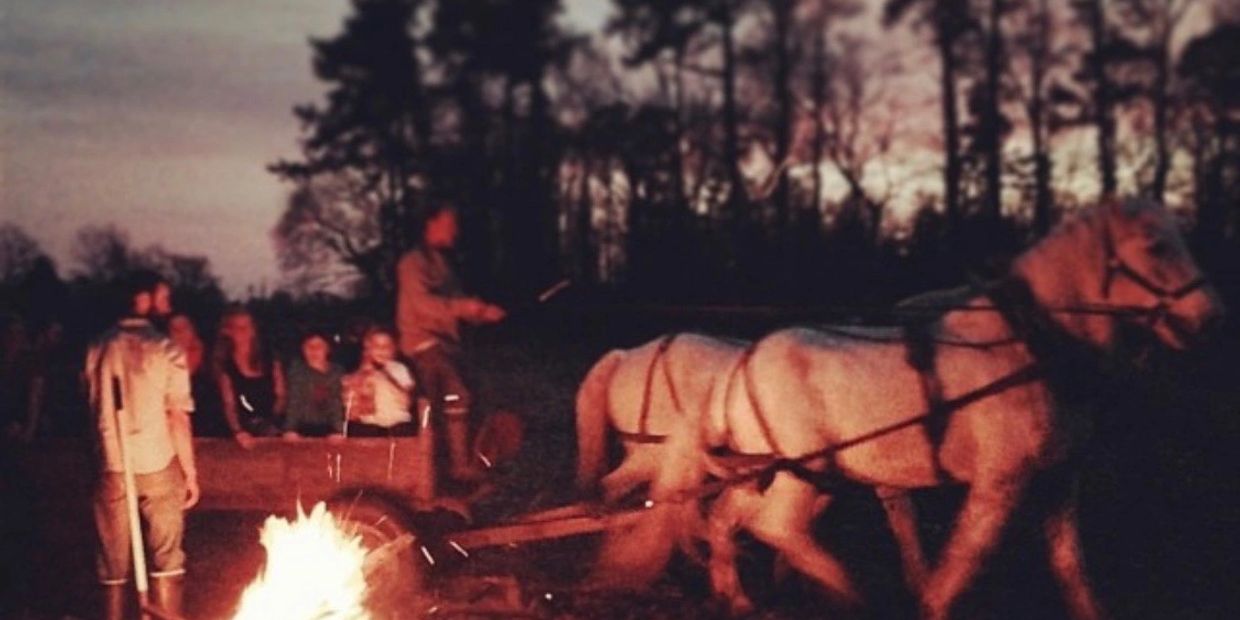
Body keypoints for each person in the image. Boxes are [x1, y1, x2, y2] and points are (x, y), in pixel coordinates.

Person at [84, 270, 198, 619]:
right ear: (143, 298)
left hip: (112, 461)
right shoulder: (165, 349)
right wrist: (190, 472)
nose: (167, 303)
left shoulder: (98, 345)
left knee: (113, 560)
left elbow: (90, 405)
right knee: (167, 553)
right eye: (161, 296)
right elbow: (177, 416)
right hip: (158, 461)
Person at [395, 202, 504, 482]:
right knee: (456, 395)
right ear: (430, 224)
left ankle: (464, 464)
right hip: (424, 345)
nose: (455, 230)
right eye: (449, 223)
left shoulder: (444, 264)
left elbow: (454, 308)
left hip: (446, 346)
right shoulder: (412, 263)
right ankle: (454, 469)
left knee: (473, 399)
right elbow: (424, 306)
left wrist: (482, 313)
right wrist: (468, 307)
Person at [213, 305, 285, 449]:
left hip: (274, 430)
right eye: (238, 328)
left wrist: (271, 424)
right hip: (241, 437)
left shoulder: (270, 360)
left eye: (247, 326)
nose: (244, 332)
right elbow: (229, 405)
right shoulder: (225, 366)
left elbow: (281, 395)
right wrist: (238, 431)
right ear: (228, 331)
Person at [342, 326, 417, 437]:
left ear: (394, 349)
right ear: (368, 349)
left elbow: (407, 395)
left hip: (397, 423)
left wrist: (385, 372)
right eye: (376, 346)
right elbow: (352, 403)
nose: (381, 350)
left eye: (386, 346)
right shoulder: (362, 371)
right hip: (370, 425)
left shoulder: (399, 368)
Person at [168, 313, 225, 437]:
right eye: (174, 329)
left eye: (184, 327)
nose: (180, 333)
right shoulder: (165, 363)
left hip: (213, 433)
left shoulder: (211, 358)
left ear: (194, 329)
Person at [283, 329, 346, 441]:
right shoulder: (297, 372)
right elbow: (294, 401)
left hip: (328, 429)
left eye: (319, 346)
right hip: (301, 428)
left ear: (328, 349)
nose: (314, 350)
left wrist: (338, 430)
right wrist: (290, 429)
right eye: (309, 346)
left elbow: (337, 403)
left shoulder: (337, 373)